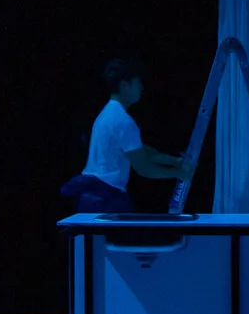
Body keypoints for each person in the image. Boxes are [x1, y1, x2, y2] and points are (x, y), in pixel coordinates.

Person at [60, 58, 193, 215]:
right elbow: (144, 168)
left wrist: (175, 162)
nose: (142, 88)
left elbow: (140, 151)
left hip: (96, 197)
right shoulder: (123, 121)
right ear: (124, 85)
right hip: (106, 200)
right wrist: (180, 174)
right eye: (137, 83)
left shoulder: (107, 114)